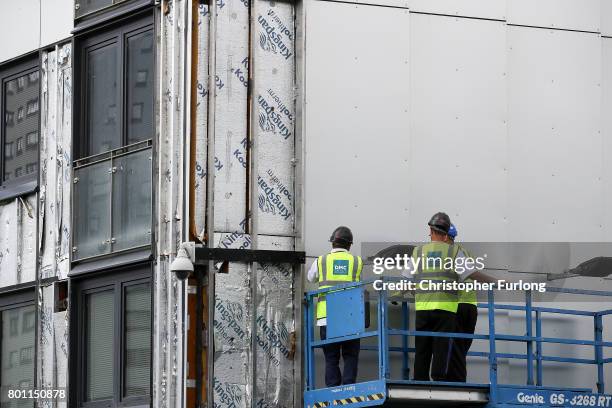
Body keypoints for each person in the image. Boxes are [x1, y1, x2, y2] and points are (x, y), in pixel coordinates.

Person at [307, 226, 363, 387]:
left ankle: (333, 388)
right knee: (350, 355)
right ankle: (348, 386)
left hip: (327, 318)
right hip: (349, 317)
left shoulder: (322, 261)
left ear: (332, 243)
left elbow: (311, 278)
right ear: (349, 245)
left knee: (331, 358)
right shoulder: (356, 262)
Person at [446, 224, 497, 382]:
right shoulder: (463, 252)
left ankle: (456, 382)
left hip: (456, 306)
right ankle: (457, 379)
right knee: (461, 348)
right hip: (470, 307)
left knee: (454, 348)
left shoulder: (448, 254)